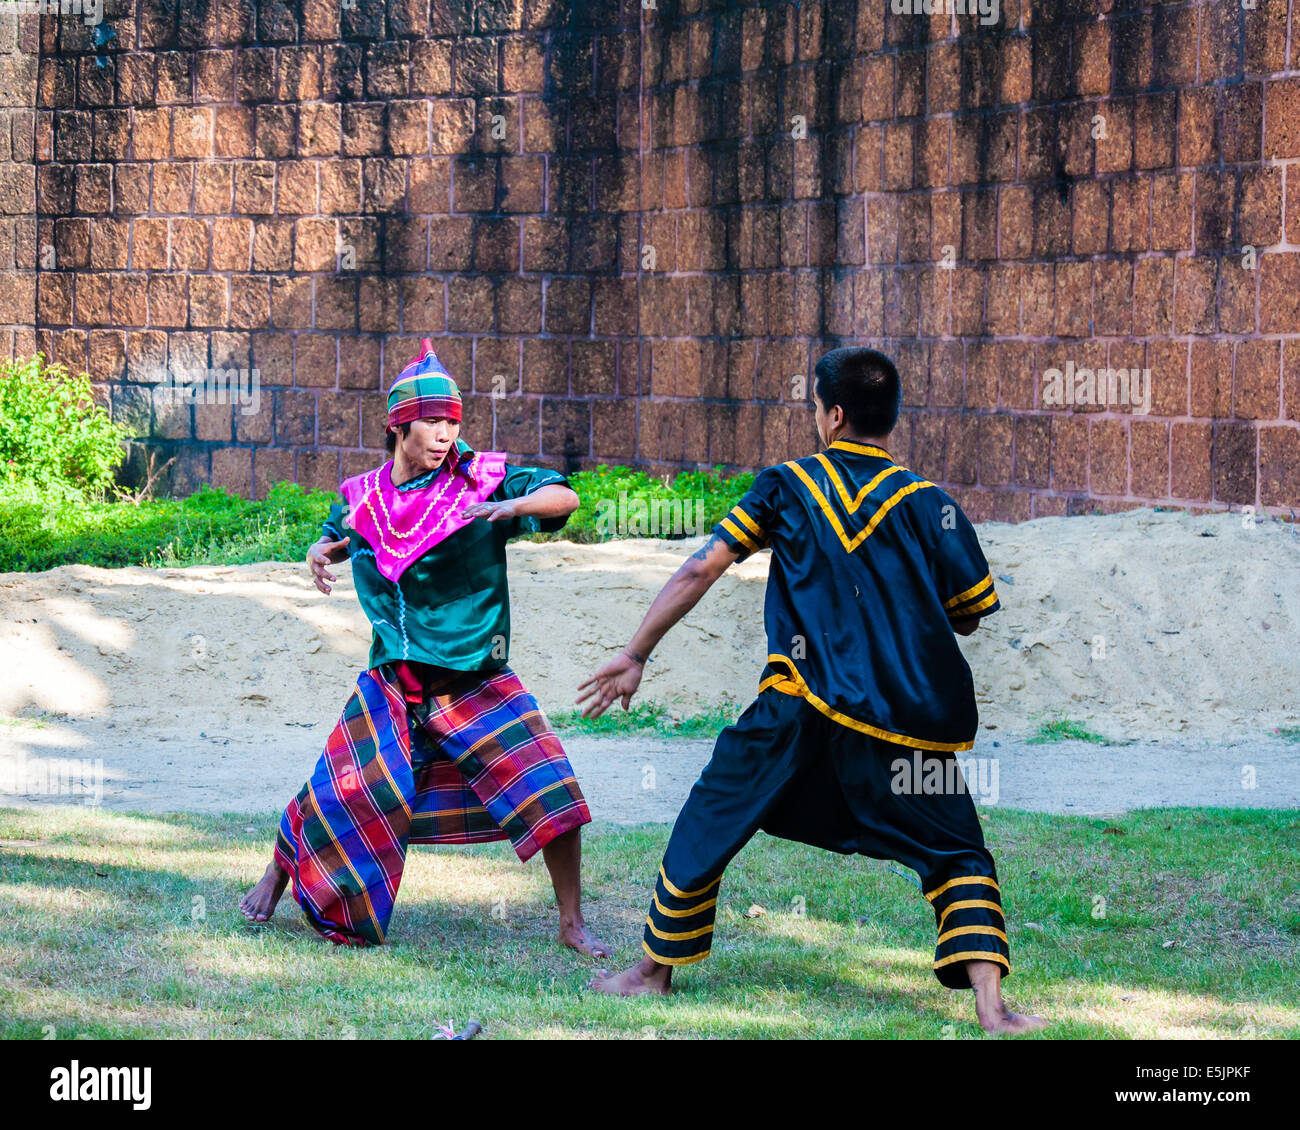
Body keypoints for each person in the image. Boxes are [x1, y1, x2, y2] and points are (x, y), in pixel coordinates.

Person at [576, 346, 1046, 1034]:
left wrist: (633, 652)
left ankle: (651, 974)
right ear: (890, 418)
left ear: (833, 415)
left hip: (794, 703)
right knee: (959, 850)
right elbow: (970, 611)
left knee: (712, 813)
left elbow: (701, 569)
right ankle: (993, 1009)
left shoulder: (787, 485)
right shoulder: (930, 505)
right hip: (899, 715)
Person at [240, 340, 608, 957]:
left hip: (475, 676)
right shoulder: (363, 495)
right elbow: (338, 532)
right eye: (431, 422)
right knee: (340, 785)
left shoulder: (481, 480)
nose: (444, 435)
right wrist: (318, 550)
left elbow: (563, 496)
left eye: (452, 423)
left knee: (551, 787)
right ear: (398, 426)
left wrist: (514, 505)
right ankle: (277, 874)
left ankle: (571, 923)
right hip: (393, 676)